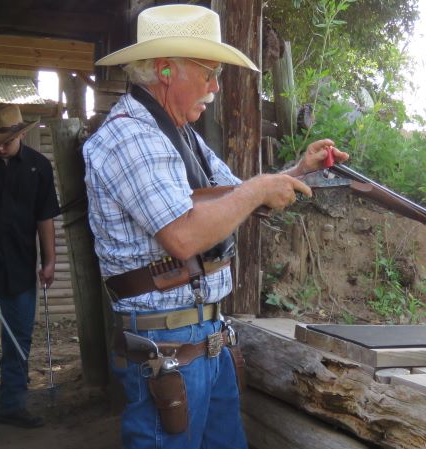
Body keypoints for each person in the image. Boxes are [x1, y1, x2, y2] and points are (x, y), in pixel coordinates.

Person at [83, 4, 348, 449]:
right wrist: (260, 188)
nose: (215, 86)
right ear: (165, 70)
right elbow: (183, 235)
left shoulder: (178, 133)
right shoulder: (130, 136)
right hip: (165, 343)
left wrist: (297, 172)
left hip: (204, 337)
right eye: (208, 73)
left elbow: (233, 196)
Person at [0, 104, 60, 428]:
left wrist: (50, 261)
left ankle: (12, 406)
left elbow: (44, 218)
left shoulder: (38, 166)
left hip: (20, 270)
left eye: (6, 141)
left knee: (18, 342)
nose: (0, 147)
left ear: (20, 134)